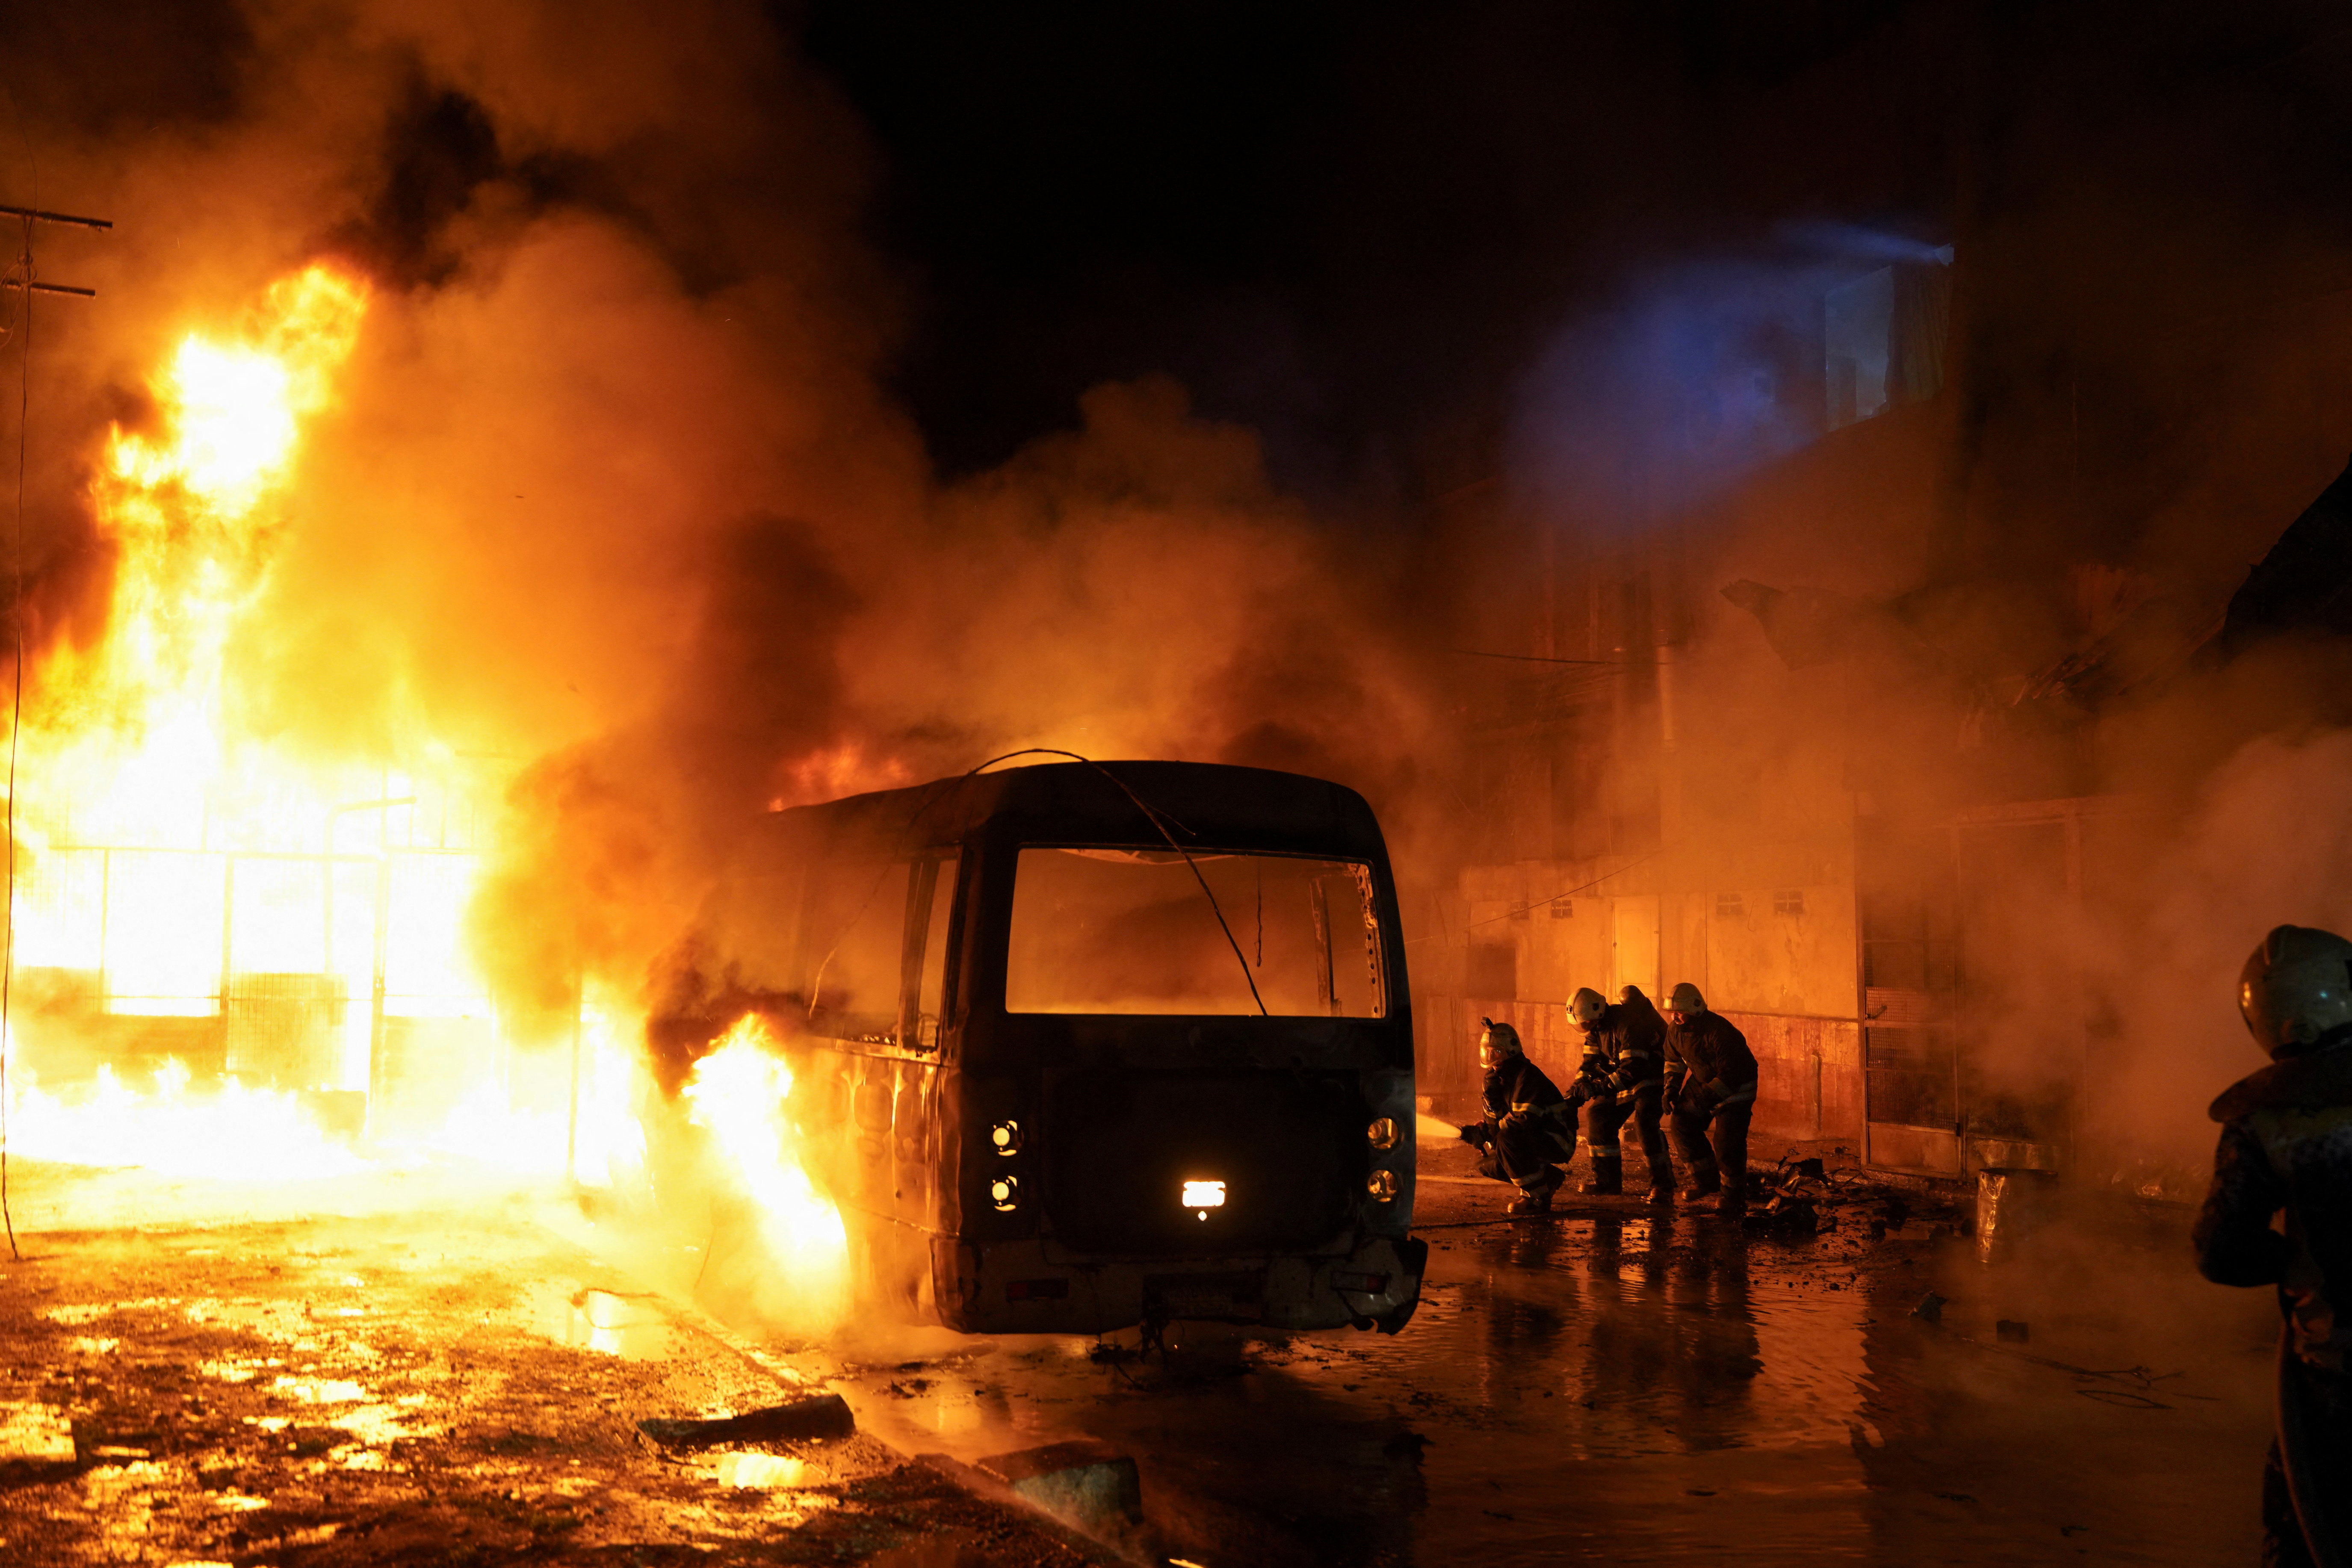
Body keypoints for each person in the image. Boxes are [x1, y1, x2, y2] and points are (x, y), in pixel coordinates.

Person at [2194, 924, 2352, 1568]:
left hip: (2334, 1378)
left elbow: (2221, 1250)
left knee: (2307, 1533)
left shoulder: (2264, 1118)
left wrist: (2292, 1264)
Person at [1457, 1018, 1575, 1215]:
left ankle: (1537, 1199)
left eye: (1495, 1052)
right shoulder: (1500, 1080)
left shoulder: (1527, 1077)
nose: (1491, 1059)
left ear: (1510, 1050)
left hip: (1558, 1140)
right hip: (1534, 1137)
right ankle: (1548, 1179)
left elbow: (1524, 1123)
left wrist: (1488, 1133)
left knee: (1507, 1140)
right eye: (1487, 1052)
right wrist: (1490, 1105)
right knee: (1487, 1164)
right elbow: (1496, 1123)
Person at [1567, 986, 1674, 1202]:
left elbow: (1633, 1069)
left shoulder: (1628, 1023)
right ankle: (1607, 1183)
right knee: (1599, 1116)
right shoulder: (1596, 1029)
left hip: (1652, 1075)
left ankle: (1663, 1186)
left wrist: (1596, 1088)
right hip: (1625, 1076)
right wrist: (1577, 1087)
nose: (1584, 1027)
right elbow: (1590, 1063)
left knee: (1645, 1121)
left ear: (1598, 1013)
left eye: (1586, 1023)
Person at [1662, 981, 1758, 1217]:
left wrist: (1707, 1098)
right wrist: (1671, 1089)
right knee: (1682, 1123)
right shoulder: (1675, 1031)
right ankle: (1706, 1181)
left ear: (1695, 1008)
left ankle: (1733, 1195)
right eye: (1672, 1011)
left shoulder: (1720, 1031)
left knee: (1727, 1141)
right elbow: (1673, 1062)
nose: (1674, 1016)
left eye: (1679, 1011)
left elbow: (1731, 1074)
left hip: (1738, 1087)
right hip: (1705, 1080)